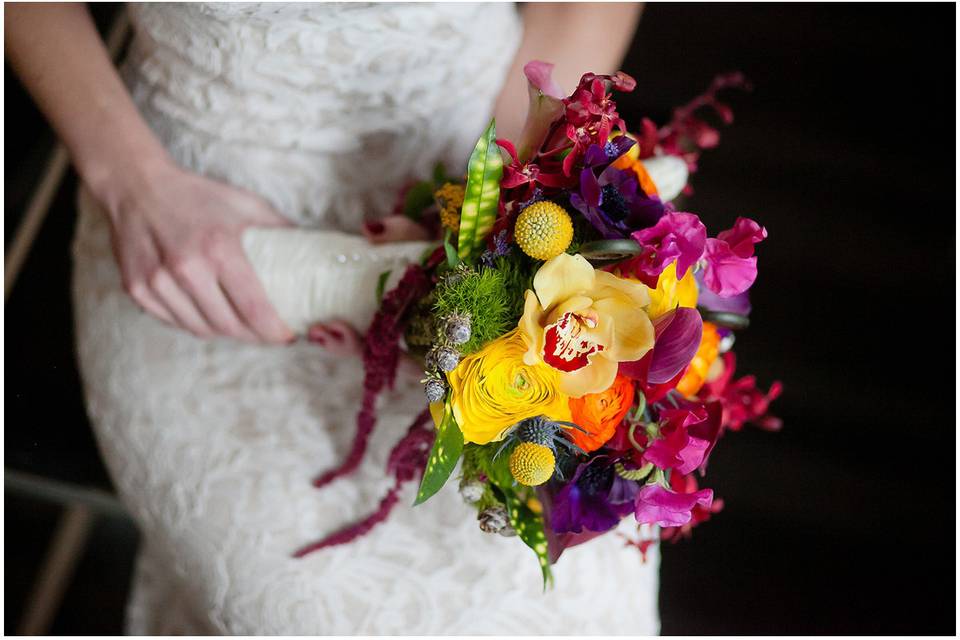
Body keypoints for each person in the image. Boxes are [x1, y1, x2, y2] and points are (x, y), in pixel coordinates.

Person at [6, 2, 658, 634]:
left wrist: (488, 216)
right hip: (189, 215)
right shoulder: (157, 200)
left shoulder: (498, 209)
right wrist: (131, 184)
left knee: (582, 613)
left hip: (481, 141)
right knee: (300, 614)